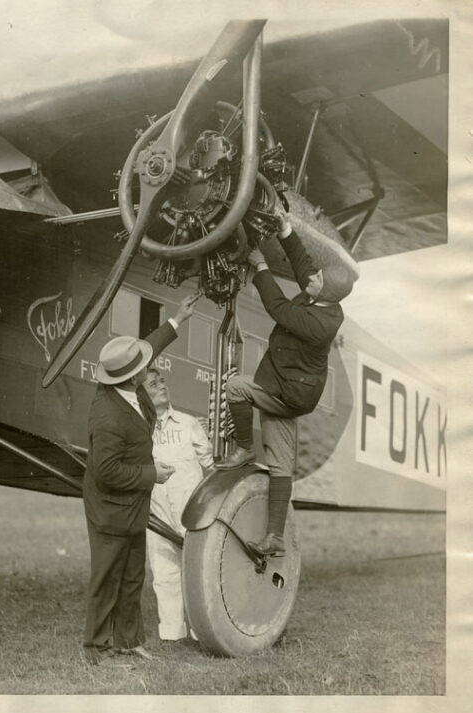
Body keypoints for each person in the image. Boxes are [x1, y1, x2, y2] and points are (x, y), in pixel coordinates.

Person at [217, 206, 354, 558]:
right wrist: (285, 229)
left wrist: (260, 265)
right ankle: (274, 537)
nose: (310, 278)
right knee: (280, 464)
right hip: (290, 386)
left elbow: (278, 308)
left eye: (317, 279)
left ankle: (245, 448)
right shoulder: (322, 294)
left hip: (290, 393)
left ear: (325, 294)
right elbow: (304, 265)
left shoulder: (321, 323)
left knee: (237, 388)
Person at [82, 293, 199, 664]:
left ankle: (128, 641)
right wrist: (154, 475)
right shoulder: (108, 416)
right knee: (106, 578)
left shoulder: (128, 386)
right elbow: (106, 471)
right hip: (111, 508)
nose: (150, 370)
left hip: (131, 504)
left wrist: (177, 319)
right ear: (133, 377)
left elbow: (145, 349)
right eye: (144, 370)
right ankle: (96, 648)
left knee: (132, 574)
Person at [143, 367, 214, 641]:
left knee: (195, 572)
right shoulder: (140, 430)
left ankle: (202, 630)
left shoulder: (188, 423)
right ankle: (172, 634)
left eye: (162, 380)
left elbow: (211, 463)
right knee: (164, 573)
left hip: (190, 513)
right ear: (142, 394)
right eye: (153, 383)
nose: (161, 385)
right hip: (157, 512)